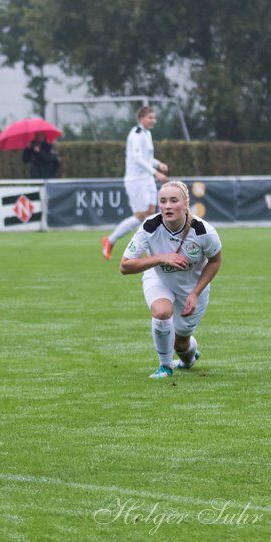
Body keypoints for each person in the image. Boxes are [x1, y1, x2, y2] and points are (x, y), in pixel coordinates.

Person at [119, 180, 223, 378]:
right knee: (161, 312)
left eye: (173, 200)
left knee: (180, 344)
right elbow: (124, 266)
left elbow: (216, 261)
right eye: (163, 201)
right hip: (158, 278)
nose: (167, 206)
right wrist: (161, 258)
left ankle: (189, 357)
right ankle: (165, 367)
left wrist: (195, 293)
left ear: (185, 203)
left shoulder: (203, 231)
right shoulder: (150, 226)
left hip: (192, 288)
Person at [102, 106, 168, 260]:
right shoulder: (135, 135)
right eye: (150, 117)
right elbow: (138, 159)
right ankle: (110, 240)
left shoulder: (147, 133)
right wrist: (156, 172)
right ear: (141, 118)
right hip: (136, 180)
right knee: (140, 216)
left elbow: (146, 158)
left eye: (154, 117)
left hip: (147, 179)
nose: (154, 120)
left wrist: (158, 164)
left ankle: (148, 250)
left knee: (151, 213)